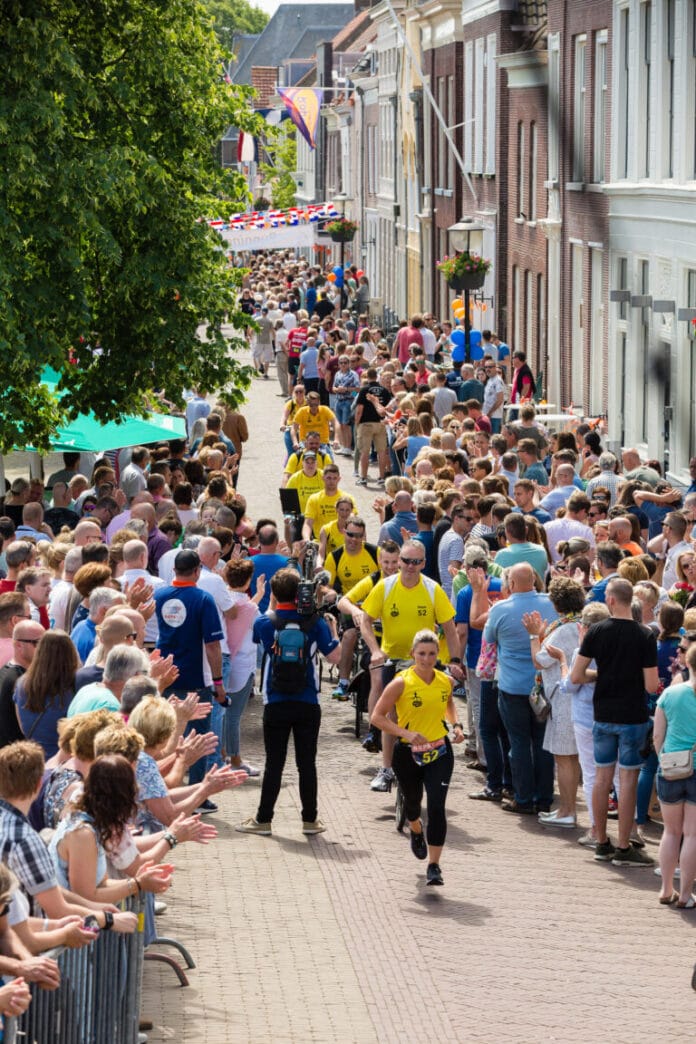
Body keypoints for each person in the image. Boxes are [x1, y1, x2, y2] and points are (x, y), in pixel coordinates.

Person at [236, 568, 340, 836]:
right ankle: (310, 820)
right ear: (300, 593)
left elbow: (260, 639)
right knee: (307, 763)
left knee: (274, 762)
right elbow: (336, 657)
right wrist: (333, 628)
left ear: (274, 593)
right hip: (308, 701)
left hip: (276, 700)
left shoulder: (264, 622)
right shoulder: (315, 622)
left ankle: (264, 819)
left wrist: (272, 605)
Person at [571, 577, 658, 867]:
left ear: (610, 600)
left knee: (601, 778)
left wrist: (601, 675)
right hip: (632, 716)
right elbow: (650, 685)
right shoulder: (645, 635)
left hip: (603, 714)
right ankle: (623, 846)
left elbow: (576, 676)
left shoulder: (596, 631)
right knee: (628, 779)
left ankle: (601, 841)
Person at [370, 629, 465, 887]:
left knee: (436, 807)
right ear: (413, 654)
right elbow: (376, 717)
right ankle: (414, 827)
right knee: (414, 803)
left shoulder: (445, 681)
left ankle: (434, 866)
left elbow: (448, 704)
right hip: (407, 754)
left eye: (432, 654)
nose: (426, 659)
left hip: (440, 752)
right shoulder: (401, 682)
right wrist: (406, 733)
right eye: (421, 654)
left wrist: (456, 727)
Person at [483, 563, 558, 814]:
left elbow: (489, 639)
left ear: (511, 584)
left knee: (519, 744)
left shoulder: (501, 609)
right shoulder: (550, 604)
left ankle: (523, 798)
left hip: (513, 687)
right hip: (543, 685)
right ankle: (544, 798)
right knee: (542, 743)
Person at [154, 549, 226, 804]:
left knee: (165, 735)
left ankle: (163, 789)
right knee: (199, 737)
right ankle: (197, 796)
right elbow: (213, 645)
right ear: (197, 571)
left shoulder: (159, 595)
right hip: (196, 679)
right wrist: (219, 683)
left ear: (174, 571)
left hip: (166, 677)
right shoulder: (203, 599)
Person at [524, 578, 585, 828]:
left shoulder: (563, 629)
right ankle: (566, 810)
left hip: (563, 700)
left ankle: (567, 811)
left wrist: (532, 635)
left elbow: (539, 660)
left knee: (564, 758)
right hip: (575, 698)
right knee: (569, 758)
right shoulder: (579, 624)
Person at [653, 642, 696, 907]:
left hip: (671, 767)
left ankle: (665, 889)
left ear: (687, 663)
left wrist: (663, 760)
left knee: (671, 832)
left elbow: (658, 735)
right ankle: (686, 893)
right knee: (692, 834)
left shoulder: (671, 693)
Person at [13, 631, 77, 759]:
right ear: (70, 654)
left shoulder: (21, 684)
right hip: (61, 761)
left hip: (34, 761)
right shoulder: (75, 687)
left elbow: (22, 726)